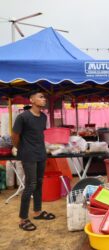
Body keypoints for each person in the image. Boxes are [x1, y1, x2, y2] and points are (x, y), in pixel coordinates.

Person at [12, 90, 56, 231]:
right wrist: (20, 148)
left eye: (44, 97)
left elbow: (38, 135)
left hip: (41, 154)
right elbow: (15, 136)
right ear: (31, 100)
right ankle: (22, 219)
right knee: (30, 185)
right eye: (41, 97)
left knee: (39, 183)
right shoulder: (23, 117)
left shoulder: (43, 117)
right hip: (28, 155)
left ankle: (37, 212)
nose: (44, 99)